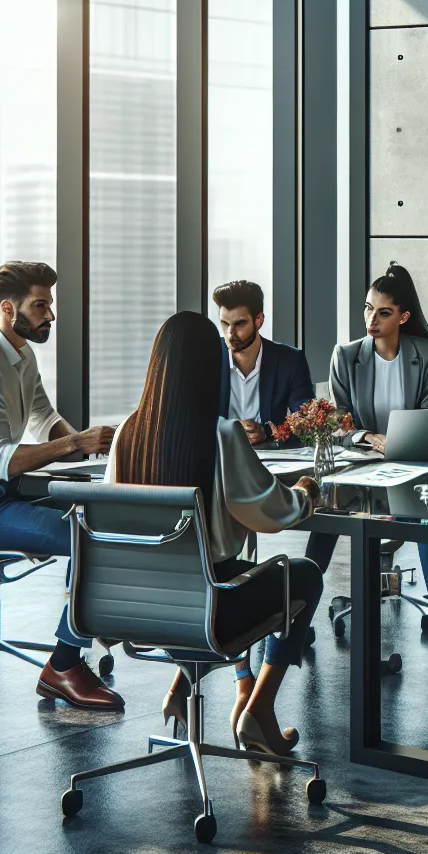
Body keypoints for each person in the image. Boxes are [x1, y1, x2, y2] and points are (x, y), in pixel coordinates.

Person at [106, 311, 322, 755]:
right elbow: (268, 509)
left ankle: (181, 691)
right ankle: (258, 711)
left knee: (227, 578)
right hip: (207, 605)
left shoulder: (127, 433)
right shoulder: (221, 435)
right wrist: (305, 492)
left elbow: (114, 520)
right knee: (303, 576)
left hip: (138, 605)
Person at [0, 261, 124, 710]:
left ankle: (92, 619)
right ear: (6, 309)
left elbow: (42, 417)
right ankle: (64, 664)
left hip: (5, 492)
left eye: (49, 306)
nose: (50, 316)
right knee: (88, 536)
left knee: (104, 514)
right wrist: (76, 442)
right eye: (40, 306)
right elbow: (0, 459)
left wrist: (88, 448)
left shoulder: (21, 355)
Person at [317, 264, 428, 699]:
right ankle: (286, 635)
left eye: (383, 313)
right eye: (368, 309)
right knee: (321, 527)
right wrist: (368, 437)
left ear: (403, 317)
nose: (371, 320)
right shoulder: (346, 355)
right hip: (359, 471)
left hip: (414, 468)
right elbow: (338, 423)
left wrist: (401, 445)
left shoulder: (425, 354)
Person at [214, 280, 314, 447]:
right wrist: (228, 428)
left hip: (273, 457)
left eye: (239, 324)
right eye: (225, 324)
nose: (230, 334)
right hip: (220, 455)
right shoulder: (208, 357)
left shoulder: (290, 360)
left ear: (259, 320)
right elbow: (191, 416)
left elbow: (307, 420)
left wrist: (266, 431)